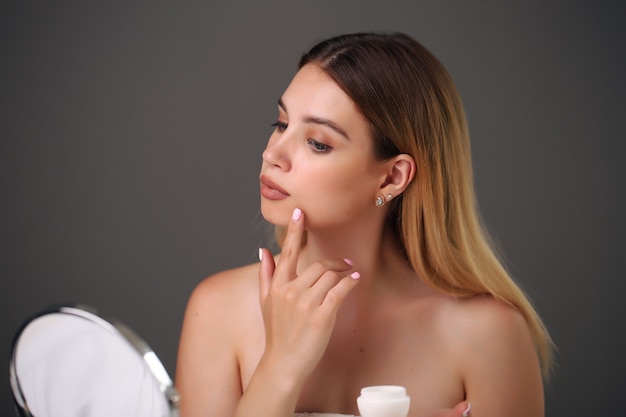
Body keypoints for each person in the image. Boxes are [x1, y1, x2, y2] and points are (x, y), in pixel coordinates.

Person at [175, 32, 554, 417]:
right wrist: (279, 366)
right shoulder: (217, 311)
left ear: (392, 178)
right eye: (281, 123)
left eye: (317, 143)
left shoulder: (489, 334)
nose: (272, 153)